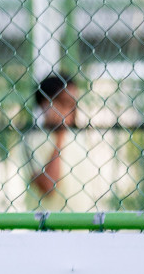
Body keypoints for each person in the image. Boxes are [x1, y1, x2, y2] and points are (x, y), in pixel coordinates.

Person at [25, 72, 127, 212]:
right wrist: (59, 137)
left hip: (82, 227)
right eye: (66, 102)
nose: (72, 110)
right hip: (48, 229)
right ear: (46, 103)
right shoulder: (32, 139)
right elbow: (49, 186)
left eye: (74, 103)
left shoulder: (79, 137)